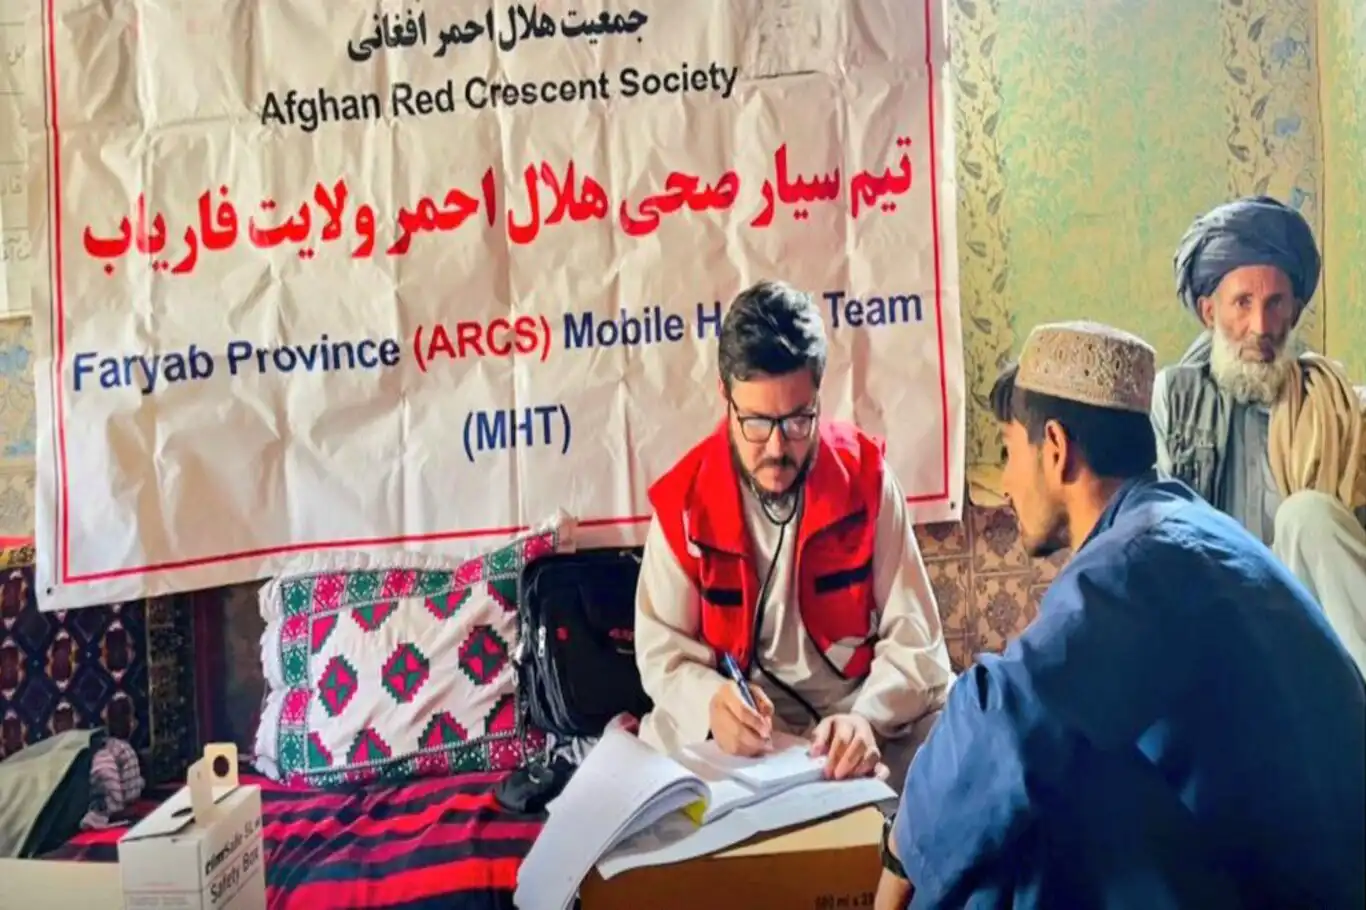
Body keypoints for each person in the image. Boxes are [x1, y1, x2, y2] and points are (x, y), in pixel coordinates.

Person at [876, 321, 1366, 909]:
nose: (1005, 482)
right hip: (1307, 873)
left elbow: (1007, 716)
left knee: (1020, 815)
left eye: (1009, 451)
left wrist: (898, 857)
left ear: (1055, 449)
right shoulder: (1178, 528)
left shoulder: (1138, 559)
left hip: (1296, 891)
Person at [634, 279, 954, 790]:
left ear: (818, 398)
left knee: (958, 741)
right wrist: (711, 705)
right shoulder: (686, 502)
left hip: (851, 720)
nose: (778, 448)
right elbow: (662, 654)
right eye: (757, 422)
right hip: (741, 730)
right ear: (726, 397)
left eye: (798, 420)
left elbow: (917, 642)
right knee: (652, 774)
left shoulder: (866, 477)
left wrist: (867, 717)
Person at [1154, 195, 1366, 671]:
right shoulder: (1174, 398)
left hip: (1320, 629)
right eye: (1243, 303)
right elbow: (1162, 536)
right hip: (1219, 619)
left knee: (1306, 514)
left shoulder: (1330, 403)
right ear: (1210, 313)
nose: (1261, 326)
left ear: (1293, 311)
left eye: (1275, 304)